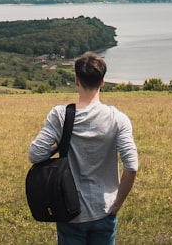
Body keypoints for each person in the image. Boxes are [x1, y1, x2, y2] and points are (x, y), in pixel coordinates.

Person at [28, 52, 139, 245]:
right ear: (103, 82)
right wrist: (118, 202)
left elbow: (35, 155)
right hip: (104, 209)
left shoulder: (60, 115)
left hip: (69, 209)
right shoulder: (118, 119)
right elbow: (132, 166)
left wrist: (60, 143)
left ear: (76, 80)